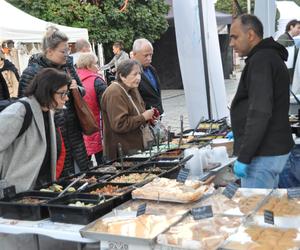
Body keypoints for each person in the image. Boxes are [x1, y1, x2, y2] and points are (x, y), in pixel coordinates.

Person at [229, 14, 294, 188]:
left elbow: (260, 111)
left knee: (254, 211)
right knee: (268, 208)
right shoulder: (267, 57)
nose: (231, 43)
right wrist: (238, 129)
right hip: (271, 149)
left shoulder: (261, 60)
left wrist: (244, 156)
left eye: (234, 37)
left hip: (263, 153)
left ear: (250, 35)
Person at [18, 26, 89, 177]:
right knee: (57, 179)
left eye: (68, 50)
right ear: (49, 51)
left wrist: (75, 89)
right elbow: (26, 107)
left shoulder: (67, 67)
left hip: (73, 130)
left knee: (81, 178)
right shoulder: (32, 72)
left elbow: (82, 91)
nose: (67, 55)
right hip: (50, 134)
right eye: (63, 51)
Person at [0, 68, 70, 193]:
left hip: (40, 190)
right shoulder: (19, 112)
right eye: (62, 93)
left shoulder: (49, 112)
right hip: (15, 194)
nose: (66, 98)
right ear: (48, 91)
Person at [101, 59, 155, 160]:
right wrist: (143, 117)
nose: (138, 78)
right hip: (123, 152)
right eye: (134, 74)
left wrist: (150, 116)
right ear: (122, 76)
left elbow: (139, 110)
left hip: (136, 149)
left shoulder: (132, 87)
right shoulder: (114, 93)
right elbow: (120, 124)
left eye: (139, 74)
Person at [77, 52, 107, 165]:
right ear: (89, 66)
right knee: (104, 166)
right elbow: (106, 106)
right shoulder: (97, 81)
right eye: (96, 63)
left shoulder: (73, 79)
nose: (97, 66)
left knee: (84, 168)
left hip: (80, 131)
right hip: (96, 128)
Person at [132, 38, 164, 115]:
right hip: (144, 118)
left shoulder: (151, 69)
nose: (149, 58)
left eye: (151, 55)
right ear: (135, 54)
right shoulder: (131, 73)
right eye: (146, 55)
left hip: (157, 114)